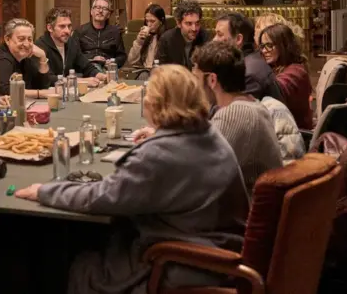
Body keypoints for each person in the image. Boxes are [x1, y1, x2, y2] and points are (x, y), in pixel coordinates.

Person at [14, 65, 249, 293]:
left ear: (154, 104)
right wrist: (161, 134)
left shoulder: (158, 155)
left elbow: (101, 197)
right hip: (220, 245)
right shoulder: (207, 132)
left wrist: (45, 191)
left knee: (76, 262)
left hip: (185, 259)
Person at [191, 42, 283, 194]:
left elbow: (199, 173)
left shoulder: (234, 114)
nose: (195, 86)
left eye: (197, 78)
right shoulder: (249, 104)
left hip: (245, 212)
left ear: (212, 80)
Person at [213, 12, 283, 101]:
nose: (214, 39)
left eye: (220, 35)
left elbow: (234, 111)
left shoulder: (249, 73)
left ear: (238, 39)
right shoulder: (248, 61)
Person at [259, 23, 314, 130]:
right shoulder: (274, 67)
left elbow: (277, 90)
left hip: (297, 134)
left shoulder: (297, 70)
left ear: (283, 46)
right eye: (262, 46)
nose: (264, 51)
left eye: (269, 46)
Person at [35, 7, 105, 86]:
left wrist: (102, 76)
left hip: (65, 92)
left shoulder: (71, 42)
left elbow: (86, 66)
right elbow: (48, 78)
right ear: (50, 28)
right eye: (62, 26)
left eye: (69, 26)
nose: (67, 31)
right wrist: (79, 81)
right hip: (46, 95)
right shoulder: (40, 46)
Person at [0, 18, 51, 98]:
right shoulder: (2, 58)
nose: (26, 44)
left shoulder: (25, 58)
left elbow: (42, 85)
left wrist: (43, 58)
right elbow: (5, 90)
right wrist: (39, 93)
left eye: (30, 39)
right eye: (21, 39)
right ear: (7, 39)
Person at [75, 0, 126, 68]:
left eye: (104, 9)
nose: (100, 11)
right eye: (97, 7)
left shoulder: (115, 32)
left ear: (108, 15)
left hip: (108, 69)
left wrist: (112, 61)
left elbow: (122, 56)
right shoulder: (80, 31)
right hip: (85, 69)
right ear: (91, 12)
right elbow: (75, 55)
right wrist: (92, 59)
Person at [156, 0, 208, 68]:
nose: (194, 28)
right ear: (178, 23)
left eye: (197, 23)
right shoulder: (167, 39)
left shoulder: (204, 37)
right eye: (189, 24)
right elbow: (159, 69)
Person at [126, 3, 166, 80]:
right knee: (143, 75)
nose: (149, 24)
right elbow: (131, 61)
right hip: (144, 73)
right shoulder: (145, 37)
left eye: (152, 21)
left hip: (160, 74)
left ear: (161, 21)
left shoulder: (166, 37)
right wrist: (139, 42)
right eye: (147, 21)